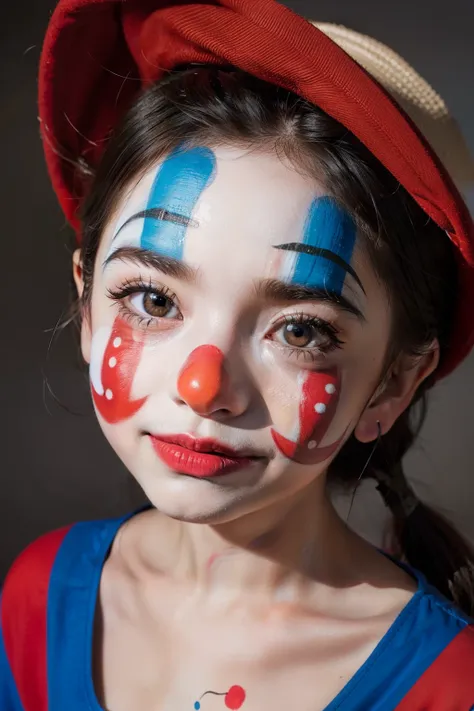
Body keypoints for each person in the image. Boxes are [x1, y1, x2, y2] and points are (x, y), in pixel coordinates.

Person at [1, 0, 474, 709]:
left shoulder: (449, 688)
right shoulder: (37, 596)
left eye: (300, 329)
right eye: (154, 300)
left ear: (394, 383)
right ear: (88, 308)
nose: (204, 384)